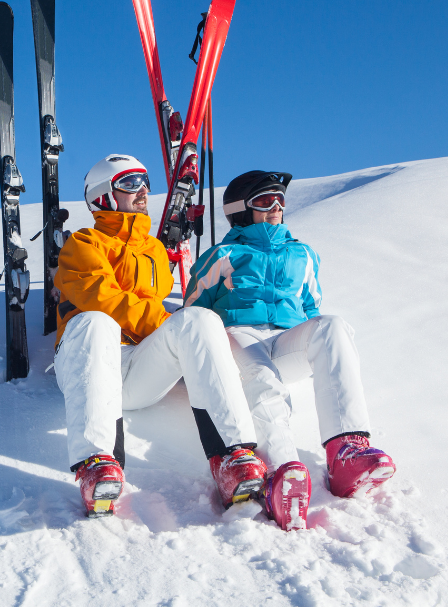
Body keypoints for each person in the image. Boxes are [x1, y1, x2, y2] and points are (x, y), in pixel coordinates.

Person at [53, 154, 268, 518]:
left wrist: (184, 338)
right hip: (88, 364)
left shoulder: (153, 250)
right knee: (97, 321)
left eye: (145, 182)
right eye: (130, 183)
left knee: (197, 319)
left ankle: (233, 457)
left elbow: (164, 316)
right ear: (104, 195)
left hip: (137, 370)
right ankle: (97, 463)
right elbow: (106, 301)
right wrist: (165, 325)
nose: (143, 191)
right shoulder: (83, 244)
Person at [184, 170, 396, 531]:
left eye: (280, 201)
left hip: (286, 338)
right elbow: (193, 311)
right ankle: (282, 472)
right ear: (240, 210)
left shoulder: (303, 254)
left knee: (332, 326)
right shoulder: (223, 253)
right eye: (265, 201)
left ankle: (347, 453)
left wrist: (311, 335)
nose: (277, 207)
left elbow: (312, 308)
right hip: (238, 334)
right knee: (262, 377)